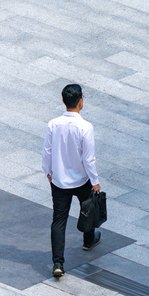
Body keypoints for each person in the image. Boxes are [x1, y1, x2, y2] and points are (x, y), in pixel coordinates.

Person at [42, 84, 101, 277]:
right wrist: (95, 180)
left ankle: (58, 263)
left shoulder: (53, 124)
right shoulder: (86, 127)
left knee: (59, 220)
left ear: (63, 101)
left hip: (59, 181)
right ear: (81, 101)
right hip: (82, 179)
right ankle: (88, 240)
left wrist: (48, 172)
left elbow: (47, 152)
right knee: (88, 208)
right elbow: (88, 158)